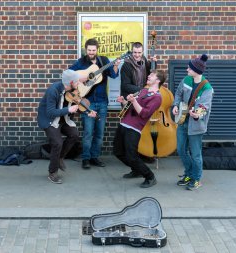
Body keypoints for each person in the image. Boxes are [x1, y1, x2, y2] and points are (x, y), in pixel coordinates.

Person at [37, 69, 97, 184]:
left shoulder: (73, 89)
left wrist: (87, 112)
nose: (78, 83)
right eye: (76, 81)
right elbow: (50, 112)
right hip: (49, 120)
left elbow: (77, 104)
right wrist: (68, 109)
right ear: (70, 83)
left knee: (74, 135)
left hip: (63, 119)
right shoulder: (53, 90)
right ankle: (52, 173)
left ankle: (60, 158)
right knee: (57, 143)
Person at [69, 38, 121, 169]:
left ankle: (94, 157)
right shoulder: (81, 62)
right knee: (88, 132)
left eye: (93, 50)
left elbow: (114, 75)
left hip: (102, 101)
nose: (91, 52)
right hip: (88, 103)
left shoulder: (104, 61)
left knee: (99, 133)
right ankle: (85, 158)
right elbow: (69, 75)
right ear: (86, 50)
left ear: (97, 50)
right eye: (89, 50)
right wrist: (83, 78)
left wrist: (115, 65)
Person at [114, 70, 165, 188]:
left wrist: (134, 100)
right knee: (118, 152)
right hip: (124, 124)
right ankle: (137, 170)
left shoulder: (157, 98)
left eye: (151, 75)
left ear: (158, 80)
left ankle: (150, 176)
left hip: (134, 129)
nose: (148, 76)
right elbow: (131, 107)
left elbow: (144, 114)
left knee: (132, 156)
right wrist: (124, 102)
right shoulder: (143, 91)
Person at [172, 54, 214, 190]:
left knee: (196, 154)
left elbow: (204, 107)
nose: (187, 70)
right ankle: (189, 174)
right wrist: (175, 105)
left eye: (189, 68)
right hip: (183, 121)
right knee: (181, 150)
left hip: (196, 125)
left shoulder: (207, 88)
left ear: (197, 70)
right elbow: (178, 94)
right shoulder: (186, 80)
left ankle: (196, 178)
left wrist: (197, 114)